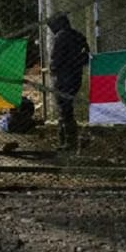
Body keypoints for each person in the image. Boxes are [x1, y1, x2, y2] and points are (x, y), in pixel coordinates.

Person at [47, 13, 90, 150]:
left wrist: (53, 69)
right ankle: (68, 140)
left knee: (64, 110)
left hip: (63, 78)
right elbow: (86, 57)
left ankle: (67, 142)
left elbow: (55, 59)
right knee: (67, 108)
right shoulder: (78, 36)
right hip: (75, 76)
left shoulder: (60, 37)